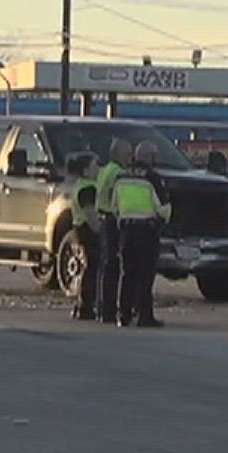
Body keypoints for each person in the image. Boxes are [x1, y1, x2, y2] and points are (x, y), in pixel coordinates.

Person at [111, 141, 171, 328]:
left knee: (127, 273)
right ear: (149, 157)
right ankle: (144, 315)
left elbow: (114, 205)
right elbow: (164, 207)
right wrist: (163, 222)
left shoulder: (121, 176)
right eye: (155, 155)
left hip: (126, 230)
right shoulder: (152, 177)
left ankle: (123, 315)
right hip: (147, 230)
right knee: (145, 275)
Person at [94, 139, 134, 324]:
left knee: (105, 266)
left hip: (104, 219)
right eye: (127, 154)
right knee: (113, 267)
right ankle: (109, 309)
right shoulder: (117, 173)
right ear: (117, 154)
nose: (130, 158)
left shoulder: (105, 170)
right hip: (112, 220)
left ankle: (102, 308)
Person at [63, 152, 101, 321]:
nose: (98, 169)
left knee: (88, 268)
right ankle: (86, 305)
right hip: (87, 231)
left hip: (80, 229)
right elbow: (90, 213)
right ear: (86, 170)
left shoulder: (81, 185)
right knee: (92, 269)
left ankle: (82, 305)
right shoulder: (88, 188)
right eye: (95, 166)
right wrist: (100, 230)